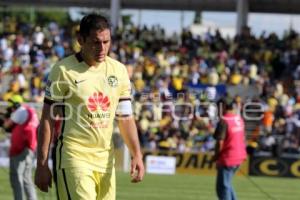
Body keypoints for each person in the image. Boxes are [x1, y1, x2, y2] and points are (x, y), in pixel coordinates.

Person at [34, 13, 144, 200]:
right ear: (80, 40)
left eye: (106, 42)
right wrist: (42, 164)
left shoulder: (118, 70)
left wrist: (137, 154)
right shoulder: (62, 71)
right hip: (73, 157)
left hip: (106, 161)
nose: (102, 48)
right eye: (95, 42)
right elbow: (47, 119)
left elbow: (125, 118)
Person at [0, 94, 38, 200]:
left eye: (11, 107)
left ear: (16, 105)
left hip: (20, 149)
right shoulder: (29, 111)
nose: (11, 109)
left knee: (16, 177)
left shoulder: (20, 111)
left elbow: (6, 125)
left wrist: (3, 119)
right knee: (26, 178)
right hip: (29, 147)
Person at [213, 98, 247, 200]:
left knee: (222, 187)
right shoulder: (238, 119)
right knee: (227, 184)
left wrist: (215, 157)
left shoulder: (224, 121)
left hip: (228, 158)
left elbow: (220, 142)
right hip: (239, 156)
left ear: (222, 107)